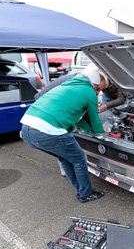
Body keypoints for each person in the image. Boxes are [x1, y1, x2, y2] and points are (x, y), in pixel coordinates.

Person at [21, 64, 106, 203]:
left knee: (65, 158)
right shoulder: (88, 91)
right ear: (93, 84)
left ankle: (80, 190)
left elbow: (75, 119)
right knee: (79, 158)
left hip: (27, 129)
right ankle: (86, 193)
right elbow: (95, 120)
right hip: (47, 129)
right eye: (98, 89)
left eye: (99, 91)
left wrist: (88, 130)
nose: (98, 93)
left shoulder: (69, 85)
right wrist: (103, 135)